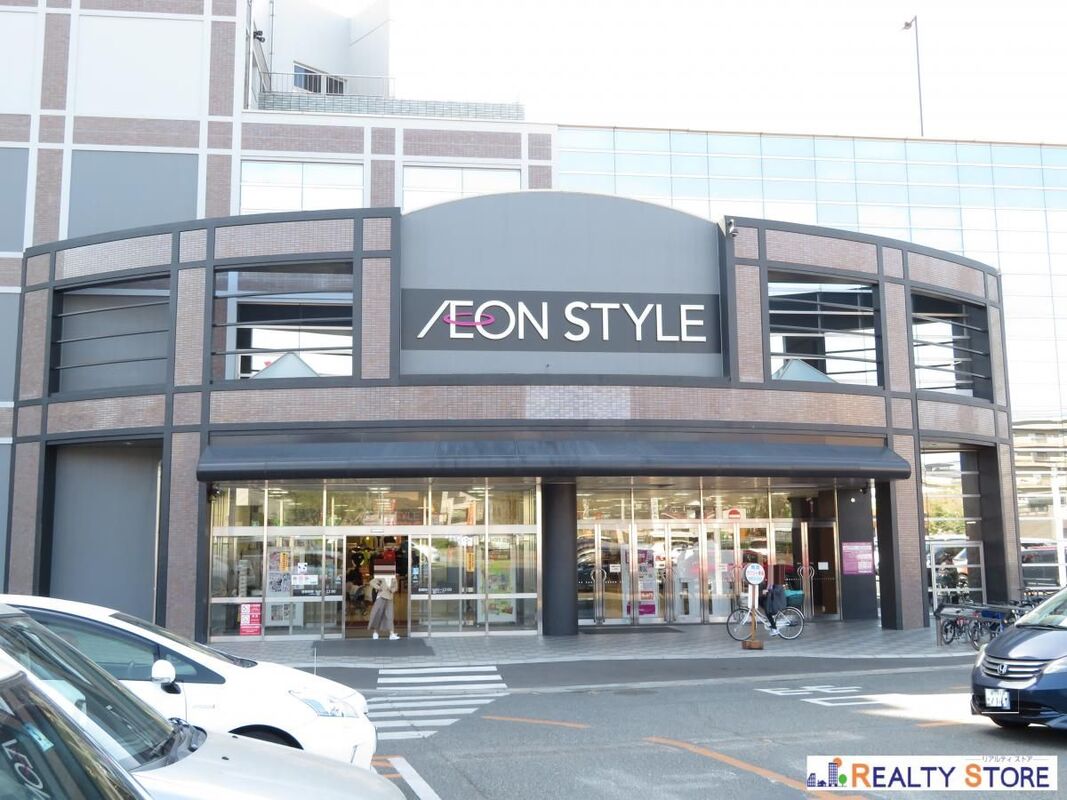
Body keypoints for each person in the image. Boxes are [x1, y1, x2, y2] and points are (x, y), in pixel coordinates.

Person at [367, 573, 399, 640]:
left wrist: (391, 590)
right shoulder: (381, 576)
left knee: (390, 616)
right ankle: (375, 632)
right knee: (377, 614)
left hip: (389, 598)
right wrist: (379, 588)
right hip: (381, 597)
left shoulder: (393, 578)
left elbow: (396, 587)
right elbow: (371, 582)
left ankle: (391, 633)